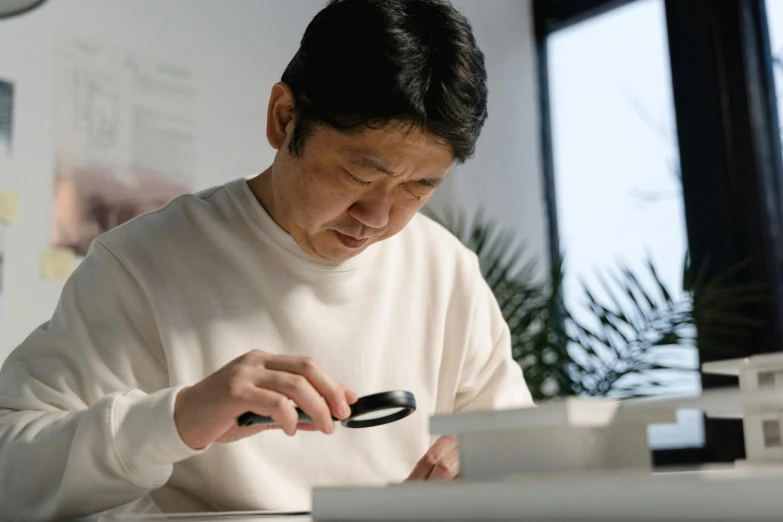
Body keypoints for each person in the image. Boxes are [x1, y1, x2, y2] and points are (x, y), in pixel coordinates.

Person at [0, 0, 533, 519]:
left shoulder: (446, 271)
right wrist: (177, 419)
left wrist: (489, 459)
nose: (378, 216)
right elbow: (11, 466)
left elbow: (522, 449)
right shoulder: (140, 263)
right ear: (283, 119)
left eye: (419, 187)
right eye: (359, 175)